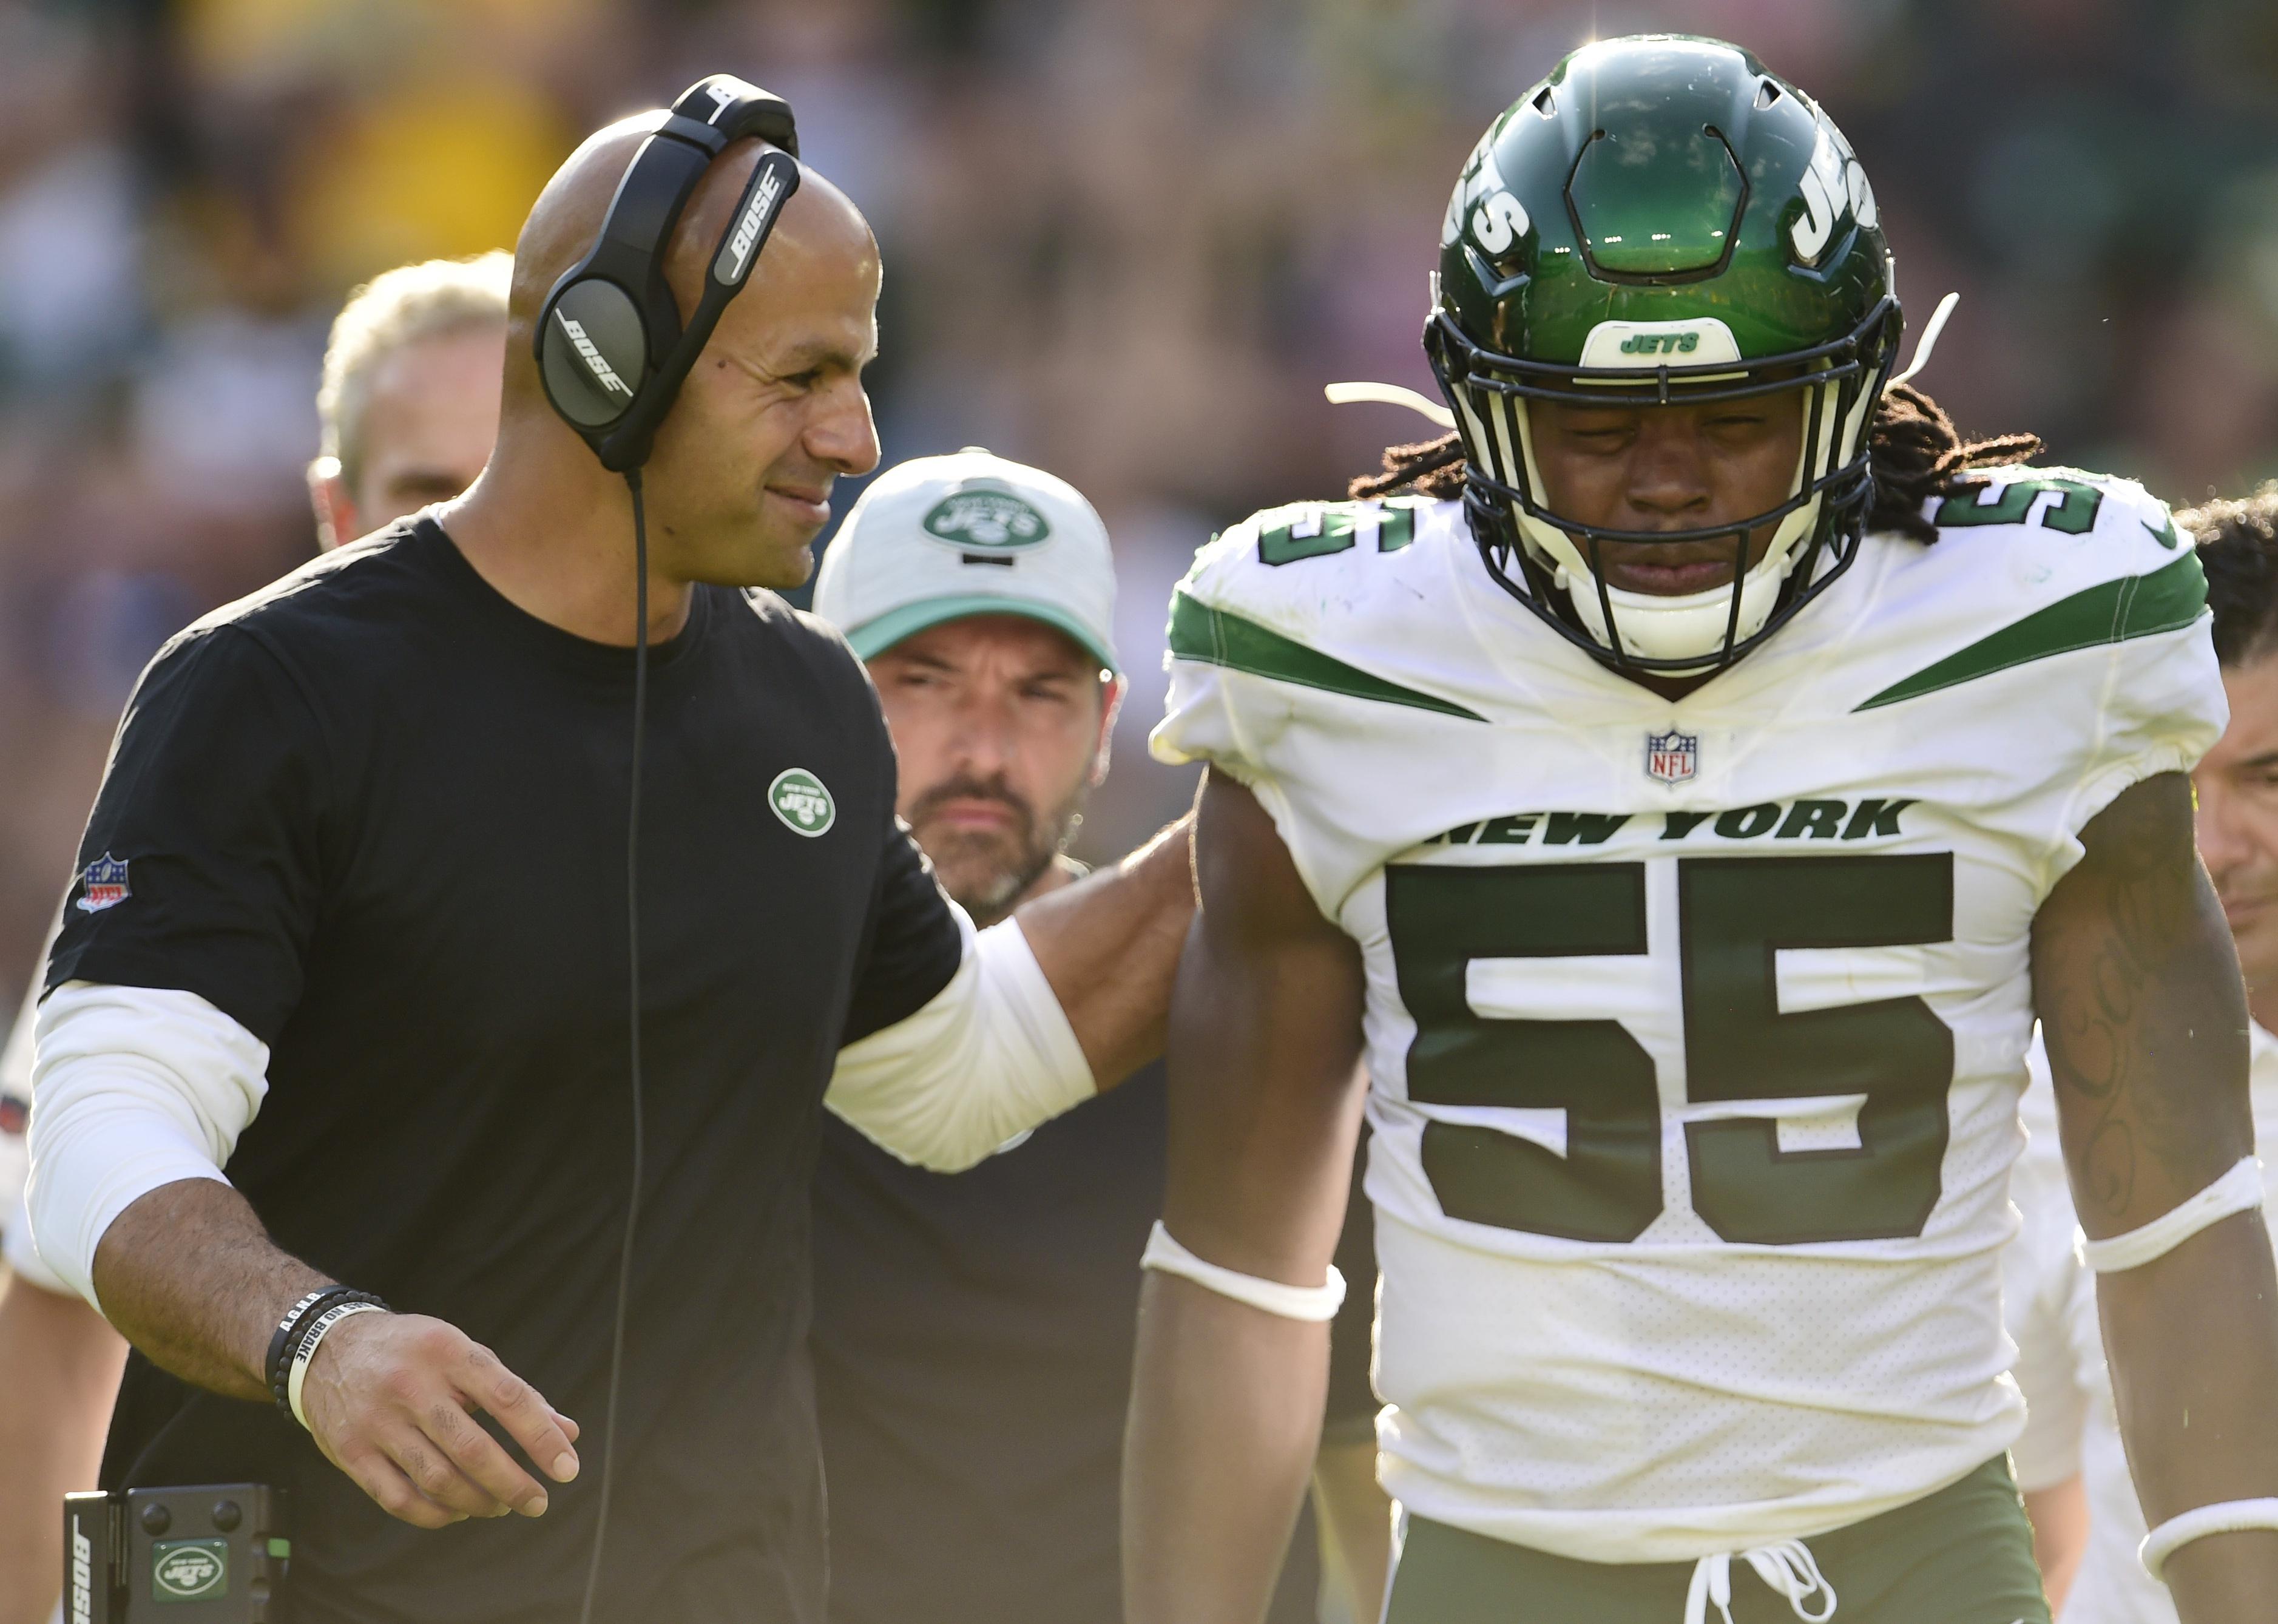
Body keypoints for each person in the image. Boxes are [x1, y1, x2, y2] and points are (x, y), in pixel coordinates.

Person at [1125, 35, 2278, 1624]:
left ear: (1850, 392)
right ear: (1482, 406)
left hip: (1911, 1557)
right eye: (1601, 422)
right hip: (1492, 1567)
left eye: (1730, 412)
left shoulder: (2041, 637)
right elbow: (1244, 1273)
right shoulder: (1331, 656)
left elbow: (2173, 1224)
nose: (1668, 481)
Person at [24, 86, 1192, 1624]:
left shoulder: (809, 699)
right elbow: (99, 1148)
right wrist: (320, 1340)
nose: (852, 436)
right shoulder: (268, 691)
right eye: (803, 379)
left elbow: (958, 1072)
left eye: (861, 376)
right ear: (606, 365)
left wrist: (1266, 779)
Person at [0, 249, 512, 1624]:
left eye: (507, 483)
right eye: (422, 492)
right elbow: (51, 1288)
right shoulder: (200, 823)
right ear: (337, 510)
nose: (467, 540)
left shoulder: (729, 801)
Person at [803, 449, 1348, 1624]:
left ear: (1108, 722)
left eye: (1040, 692)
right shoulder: (718, 1028)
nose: (984, 753)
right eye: (923, 680)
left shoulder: (1237, 1012)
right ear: (818, 697)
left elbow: (1354, 1444)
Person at [2006, 487, 2278, 1624]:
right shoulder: (2033, 1101)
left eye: (2268, 778)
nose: (2213, 848)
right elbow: (2025, 1531)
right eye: (2168, 790)